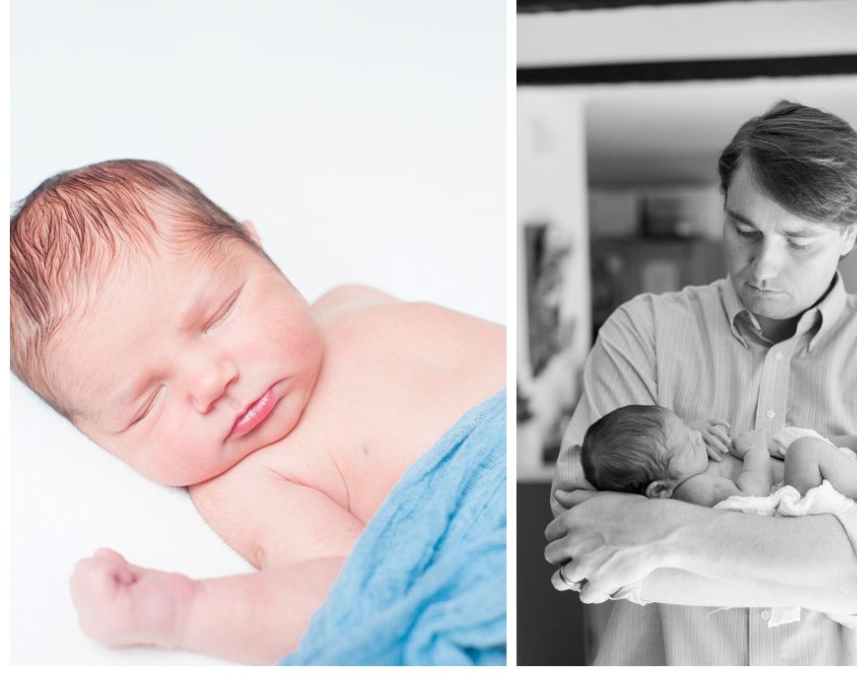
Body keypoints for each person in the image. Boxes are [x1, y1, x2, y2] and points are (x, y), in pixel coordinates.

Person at [9, 159, 506, 664]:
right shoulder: (244, 480)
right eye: (148, 401)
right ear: (95, 438)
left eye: (218, 316)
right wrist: (184, 610)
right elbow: (351, 594)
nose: (209, 381)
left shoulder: (349, 299)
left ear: (257, 248)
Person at [545, 101, 857, 665]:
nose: (762, 267)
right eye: (744, 229)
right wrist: (835, 565)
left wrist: (662, 534)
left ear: (848, 233)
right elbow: (584, 548)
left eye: (798, 242)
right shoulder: (640, 332)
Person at [581, 400, 857, 504]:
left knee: (797, 439)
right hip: (795, 495)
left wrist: (696, 432)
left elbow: (681, 438)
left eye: (684, 426)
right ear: (660, 489)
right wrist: (754, 453)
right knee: (805, 449)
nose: (695, 435)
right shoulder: (693, 489)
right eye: (687, 442)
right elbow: (751, 492)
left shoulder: (683, 466)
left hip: (792, 469)